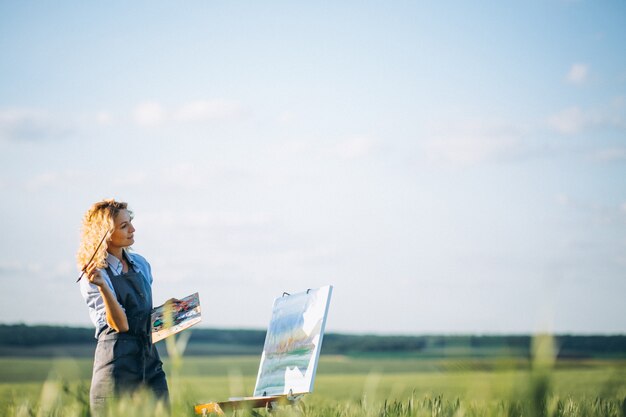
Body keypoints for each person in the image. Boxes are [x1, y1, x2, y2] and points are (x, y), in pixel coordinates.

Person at [77, 199, 169, 415]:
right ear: (105, 233)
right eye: (124, 226)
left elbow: (142, 318)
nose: (133, 229)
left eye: (131, 222)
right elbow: (120, 324)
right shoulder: (94, 275)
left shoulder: (141, 264)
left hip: (150, 363)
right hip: (116, 369)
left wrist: (167, 313)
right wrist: (103, 288)